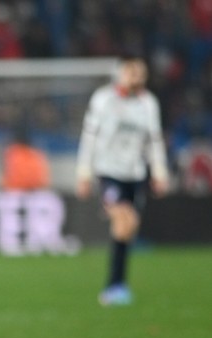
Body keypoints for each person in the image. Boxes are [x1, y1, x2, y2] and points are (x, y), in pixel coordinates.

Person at [75, 56, 169, 306]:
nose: (137, 76)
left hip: (135, 174)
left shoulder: (149, 103)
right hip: (108, 172)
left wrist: (159, 172)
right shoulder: (103, 99)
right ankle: (113, 286)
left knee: (129, 227)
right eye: (132, 71)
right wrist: (84, 173)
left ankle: (119, 285)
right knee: (122, 218)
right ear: (121, 73)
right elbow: (90, 137)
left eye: (141, 72)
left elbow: (155, 140)